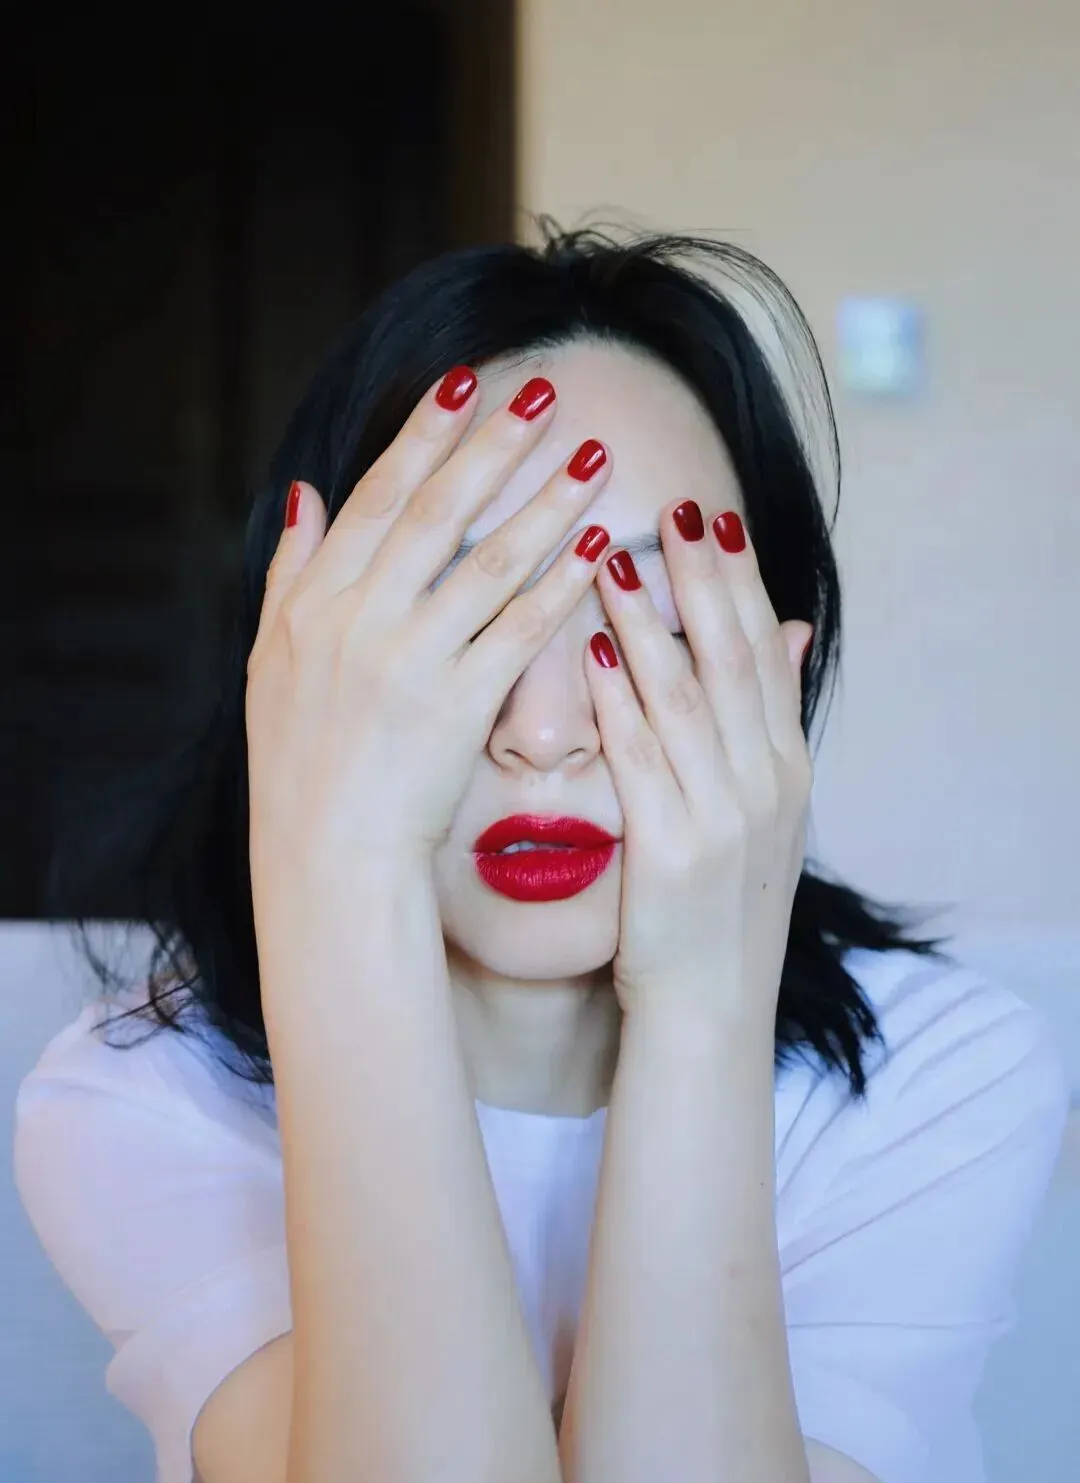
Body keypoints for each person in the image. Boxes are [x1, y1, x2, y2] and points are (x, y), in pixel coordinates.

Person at [13, 227, 1067, 1483]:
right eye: (460, 610)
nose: (547, 731)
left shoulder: (946, 1079)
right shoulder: (139, 1097)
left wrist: (702, 1000)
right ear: (306, 658)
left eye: (646, 613)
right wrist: (341, 878)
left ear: (775, 670)